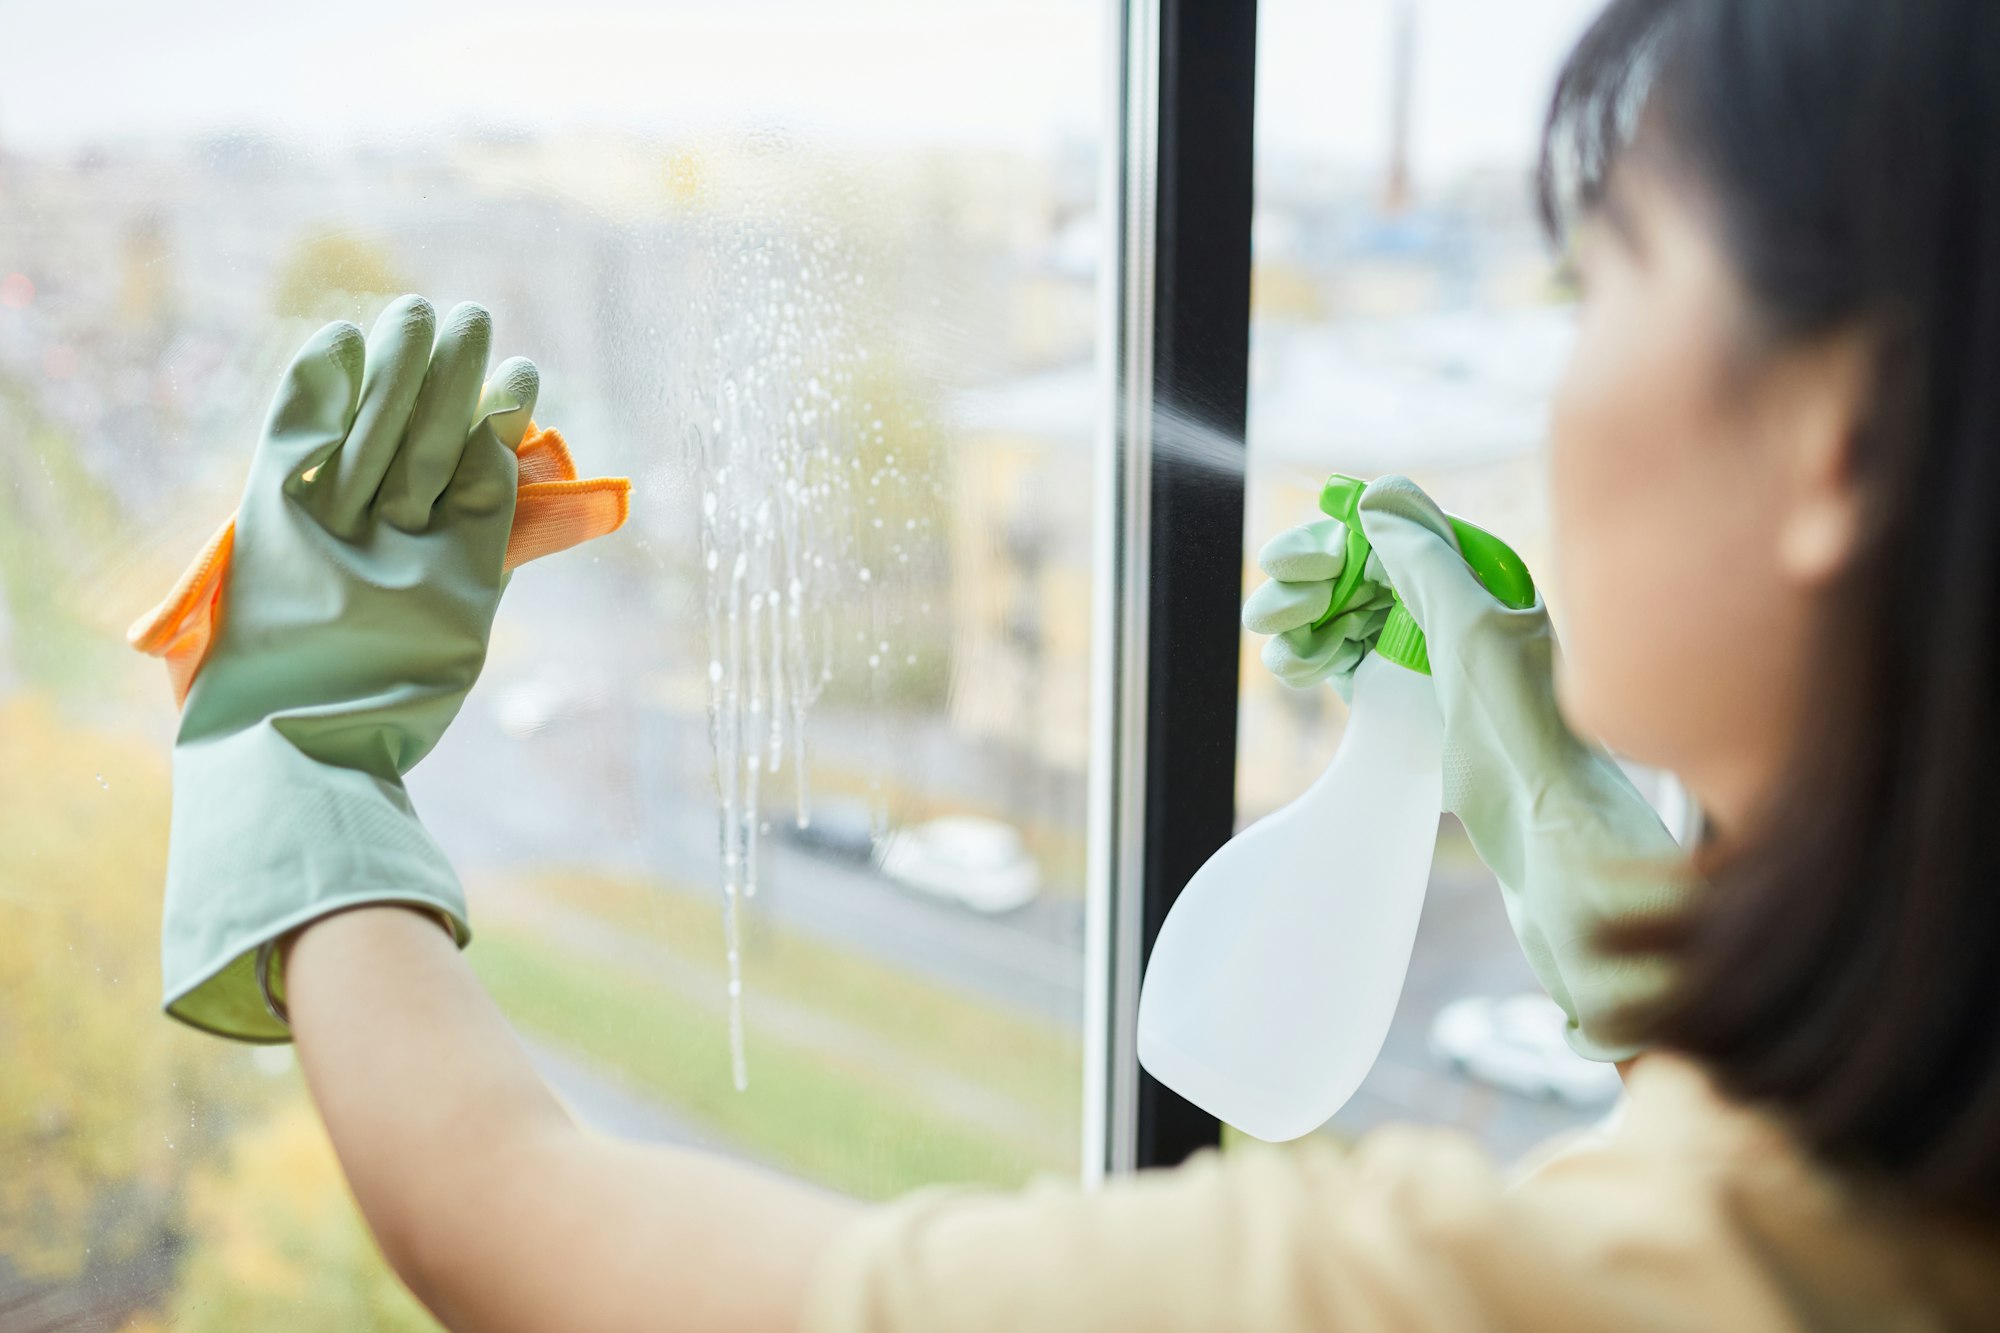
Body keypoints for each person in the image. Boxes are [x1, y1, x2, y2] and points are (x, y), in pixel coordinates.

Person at [138, 0, 2000, 1327]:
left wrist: (297, 761)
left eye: (1601, 285)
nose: (1562, 383)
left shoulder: (1521, 1292)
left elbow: (524, 1230)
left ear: (1835, 433)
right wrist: (1566, 821)